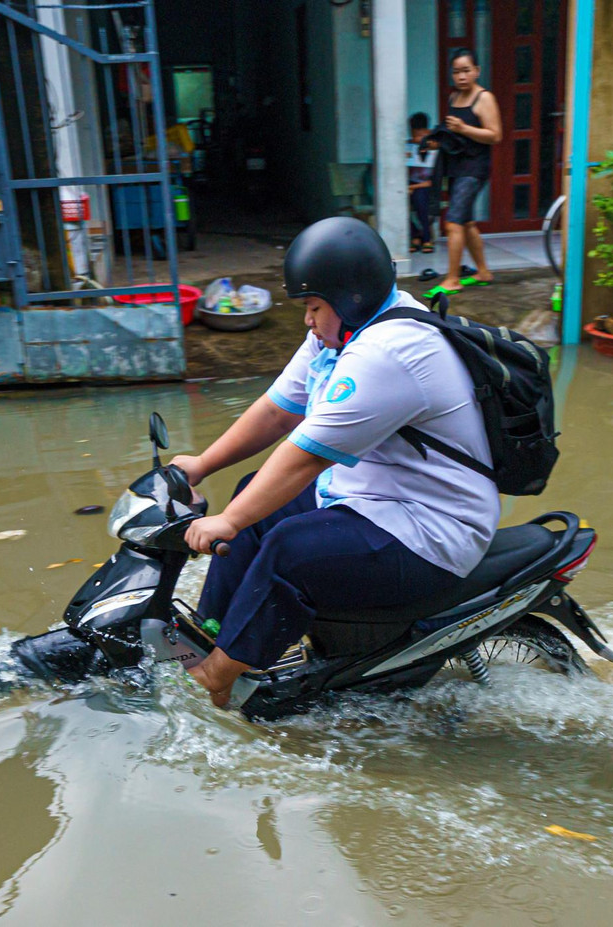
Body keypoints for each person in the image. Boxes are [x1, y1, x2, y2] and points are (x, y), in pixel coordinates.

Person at [172, 217, 500, 708]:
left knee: (287, 546)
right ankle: (213, 632)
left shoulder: (389, 352)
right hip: (373, 495)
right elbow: (278, 410)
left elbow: (304, 457)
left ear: (348, 300)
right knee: (251, 492)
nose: (307, 319)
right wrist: (199, 466)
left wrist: (226, 521)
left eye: (312, 306)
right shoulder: (344, 330)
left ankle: (217, 677)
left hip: (432, 527)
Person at [433, 48, 501, 296]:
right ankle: (483, 271)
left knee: (453, 222)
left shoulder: (484, 98)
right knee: (466, 222)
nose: (461, 76)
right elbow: (454, 135)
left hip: (475, 168)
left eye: (466, 70)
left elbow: (495, 135)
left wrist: (463, 128)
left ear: (477, 71)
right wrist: (438, 139)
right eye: (456, 72)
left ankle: (452, 279)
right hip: (457, 166)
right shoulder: (453, 98)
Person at [408, 112, 437, 253]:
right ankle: (415, 234)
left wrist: (412, 186)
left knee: (420, 198)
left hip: (425, 186)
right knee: (397, 200)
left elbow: (432, 182)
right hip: (410, 184)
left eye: (420, 136)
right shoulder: (408, 147)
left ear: (427, 132)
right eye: (414, 136)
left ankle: (426, 238)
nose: (417, 139)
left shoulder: (434, 149)